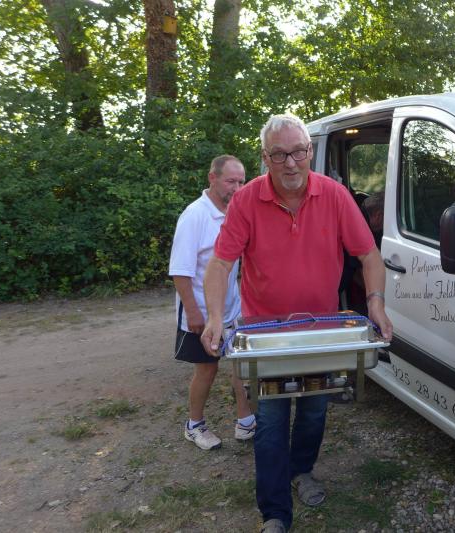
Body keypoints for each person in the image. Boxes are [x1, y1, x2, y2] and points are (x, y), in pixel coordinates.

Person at [201, 115, 393, 533]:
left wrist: (375, 303)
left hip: (320, 333)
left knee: (313, 410)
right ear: (264, 157)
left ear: (309, 151)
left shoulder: (335, 195)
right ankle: (275, 512)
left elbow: (369, 256)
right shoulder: (247, 200)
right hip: (267, 337)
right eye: (279, 154)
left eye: (298, 152)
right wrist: (215, 316)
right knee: (270, 421)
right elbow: (220, 263)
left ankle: (301, 469)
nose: (290, 163)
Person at [169, 155, 256, 451]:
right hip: (202, 312)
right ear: (212, 178)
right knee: (207, 369)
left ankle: (246, 421)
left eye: (242, 181)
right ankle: (194, 426)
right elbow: (180, 271)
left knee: (241, 364)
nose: (237, 188)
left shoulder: (237, 212)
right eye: (231, 181)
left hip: (232, 309)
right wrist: (194, 313)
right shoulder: (194, 216)